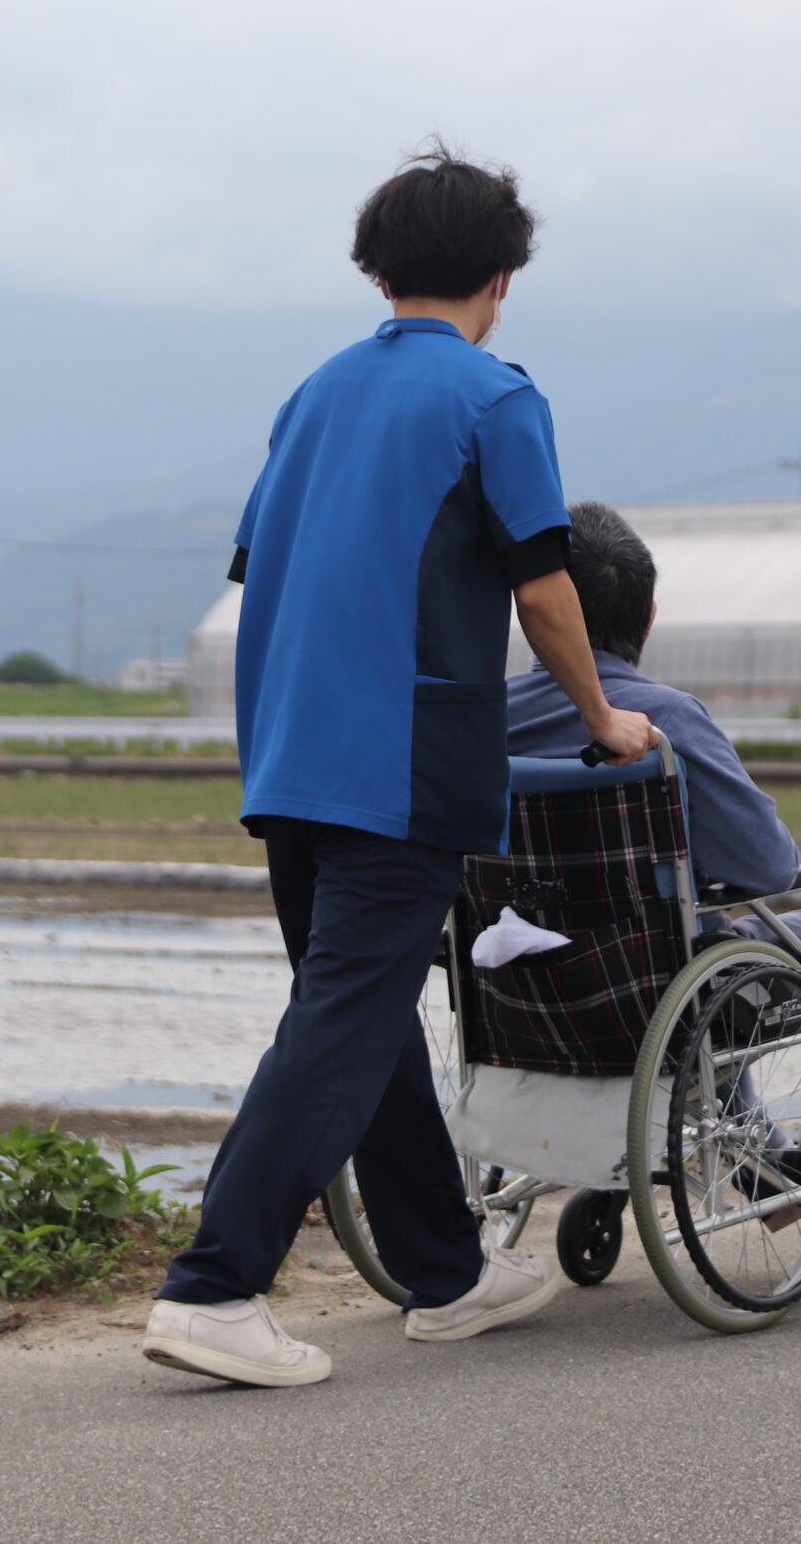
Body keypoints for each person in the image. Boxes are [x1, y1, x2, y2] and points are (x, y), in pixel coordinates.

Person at [144, 152, 656, 1389]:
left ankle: (449, 1269)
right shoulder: (492, 398)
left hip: (288, 755)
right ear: (506, 275)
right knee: (341, 1021)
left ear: (375, 272)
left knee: (360, 1017)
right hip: (400, 760)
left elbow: (266, 570)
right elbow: (543, 586)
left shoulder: (314, 397)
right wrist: (607, 717)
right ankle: (214, 1290)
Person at [506, 501, 801, 1218]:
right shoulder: (664, 722)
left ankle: (753, 1146)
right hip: (664, 991)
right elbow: (770, 866)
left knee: (693, 938)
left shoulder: (486, 723)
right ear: (650, 617)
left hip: (524, 995)